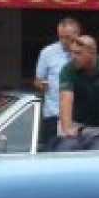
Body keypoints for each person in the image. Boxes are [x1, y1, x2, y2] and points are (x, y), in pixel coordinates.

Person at [33, 16, 81, 148]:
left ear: (77, 34)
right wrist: (43, 85)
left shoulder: (85, 51)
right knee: (52, 154)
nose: (64, 41)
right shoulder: (47, 53)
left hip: (79, 116)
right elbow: (38, 81)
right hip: (54, 114)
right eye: (61, 37)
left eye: (68, 37)